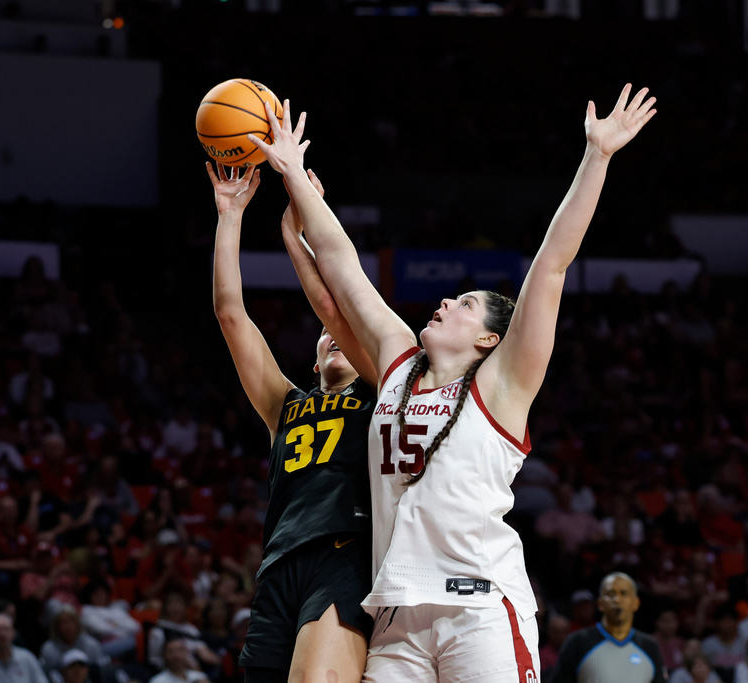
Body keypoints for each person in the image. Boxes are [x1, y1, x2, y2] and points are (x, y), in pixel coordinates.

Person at [251, 83, 656, 682]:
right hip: (395, 620)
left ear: (489, 338)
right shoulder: (395, 366)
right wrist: (292, 172)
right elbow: (342, 266)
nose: (446, 301)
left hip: (480, 610)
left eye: (465, 303)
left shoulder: (504, 385)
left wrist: (596, 156)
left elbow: (551, 265)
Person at [206, 157, 379, 682]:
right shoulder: (286, 405)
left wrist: (303, 212)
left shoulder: (381, 390)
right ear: (313, 354)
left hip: (345, 554)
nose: (335, 333)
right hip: (279, 562)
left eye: (345, 330)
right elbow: (230, 313)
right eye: (327, 332)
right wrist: (230, 215)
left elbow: (335, 298)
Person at [551, 573, 667, 683]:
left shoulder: (650, 646)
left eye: (624, 593)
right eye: (611, 594)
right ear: (600, 603)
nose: (617, 600)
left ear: (636, 603)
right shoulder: (578, 642)